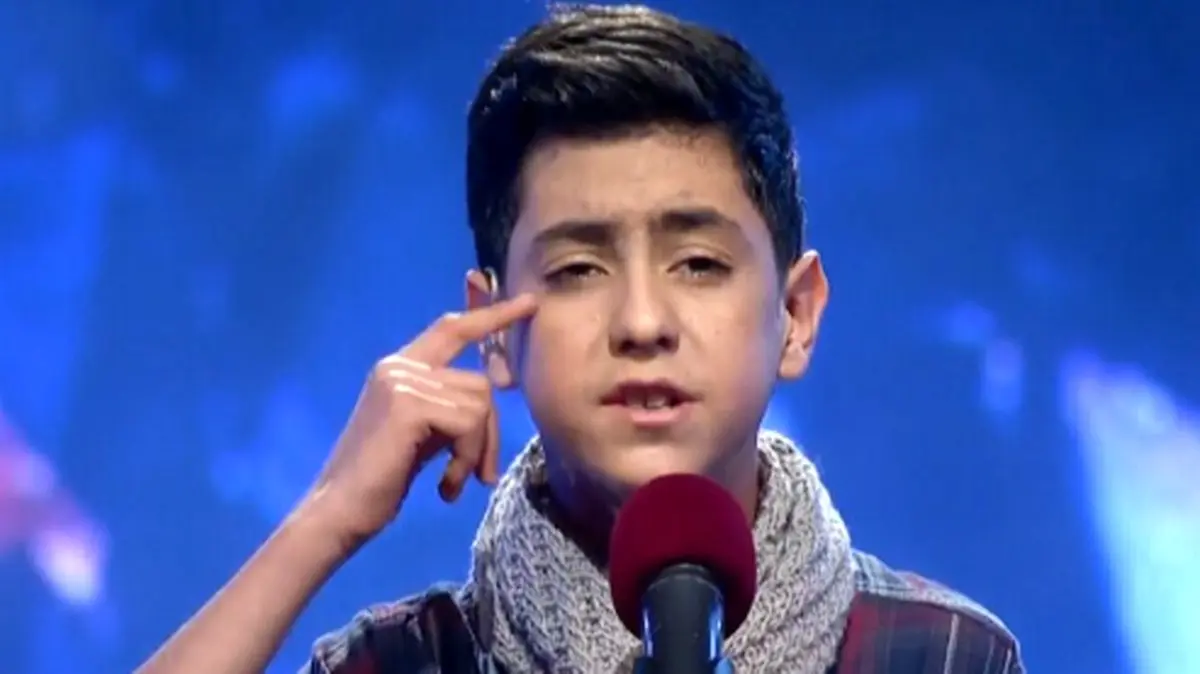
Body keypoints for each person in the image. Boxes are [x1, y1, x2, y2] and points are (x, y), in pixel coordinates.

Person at [137, 5, 1024, 673]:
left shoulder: (942, 656)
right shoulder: (404, 663)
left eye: (699, 263)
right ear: (494, 332)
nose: (641, 323)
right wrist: (324, 520)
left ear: (796, 314)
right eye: (578, 270)